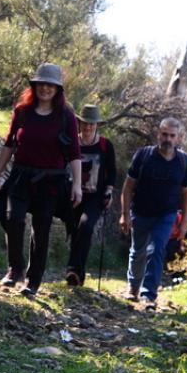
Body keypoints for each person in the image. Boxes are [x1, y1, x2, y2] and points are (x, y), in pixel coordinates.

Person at [0, 63, 82, 297]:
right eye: (42, 84)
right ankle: (15, 269)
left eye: (50, 85)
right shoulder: (22, 111)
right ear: (35, 86)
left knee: (41, 231)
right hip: (21, 175)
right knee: (13, 218)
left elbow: (74, 153)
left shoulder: (66, 117)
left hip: (51, 182)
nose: (45, 88)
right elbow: (9, 143)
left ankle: (33, 281)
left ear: (57, 89)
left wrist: (78, 185)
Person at [119, 117, 187, 310]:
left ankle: (148, 294)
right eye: (164, 134)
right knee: (138, 251)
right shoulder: (144, 156)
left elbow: (186, 192)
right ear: (158, 134)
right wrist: (124, 214)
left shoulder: (184, 162)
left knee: (157, 249)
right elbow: (128, 187)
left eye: (172, 135)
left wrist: (184, 222)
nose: (167, 138)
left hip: (166, 215)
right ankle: (133, 288)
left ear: (179, 138)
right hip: (141, 212)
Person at [63, 103, 117, 286]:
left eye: (92, 124)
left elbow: (112, 172)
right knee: (74, 230)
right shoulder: (72, 142)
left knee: (85, 226)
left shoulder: (105, 145)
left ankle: (73, 270)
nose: (88, 127)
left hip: (95, 197)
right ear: (79, 123)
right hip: (73, 195)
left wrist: (109, 191)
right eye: (85, 123)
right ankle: (77, 274)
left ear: (97, 126)